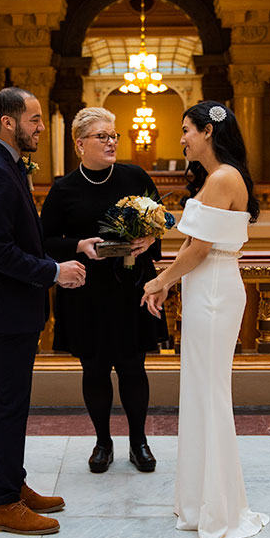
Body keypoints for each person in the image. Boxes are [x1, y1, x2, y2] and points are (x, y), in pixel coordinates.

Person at [0, 87, 87, 535]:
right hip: (6, 306)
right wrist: (53, 271)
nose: (41, 126)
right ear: (8, 122)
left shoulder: (7, 165)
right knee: (11, 404)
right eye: (34, 119)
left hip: (15, 305)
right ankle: (3, 502)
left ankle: (14, 483)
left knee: (15, 403)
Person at [140, 100, 269, 538]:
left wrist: (159, 283)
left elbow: (197, 250)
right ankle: (202, 502)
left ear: (208, 132)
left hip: (213, 289)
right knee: (199, 391)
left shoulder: (223, 178)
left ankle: (219, 507)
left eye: (186, 130)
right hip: (209, 285)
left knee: (209, 392)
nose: (182, 138)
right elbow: (196, 245)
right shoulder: (217, 178)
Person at [41, 107, 167, 474]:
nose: (112, 142)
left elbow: (158, 228)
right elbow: (44, 240)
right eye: (102, 136)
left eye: (114, 136)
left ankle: (139, 442)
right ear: (80, 144)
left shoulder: (135, 176)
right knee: (94, 369)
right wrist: (78, 245)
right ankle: (102, 442)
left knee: (133, 367)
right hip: (86, 291)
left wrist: (147, 241)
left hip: (131, 289)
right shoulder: (64, 190)